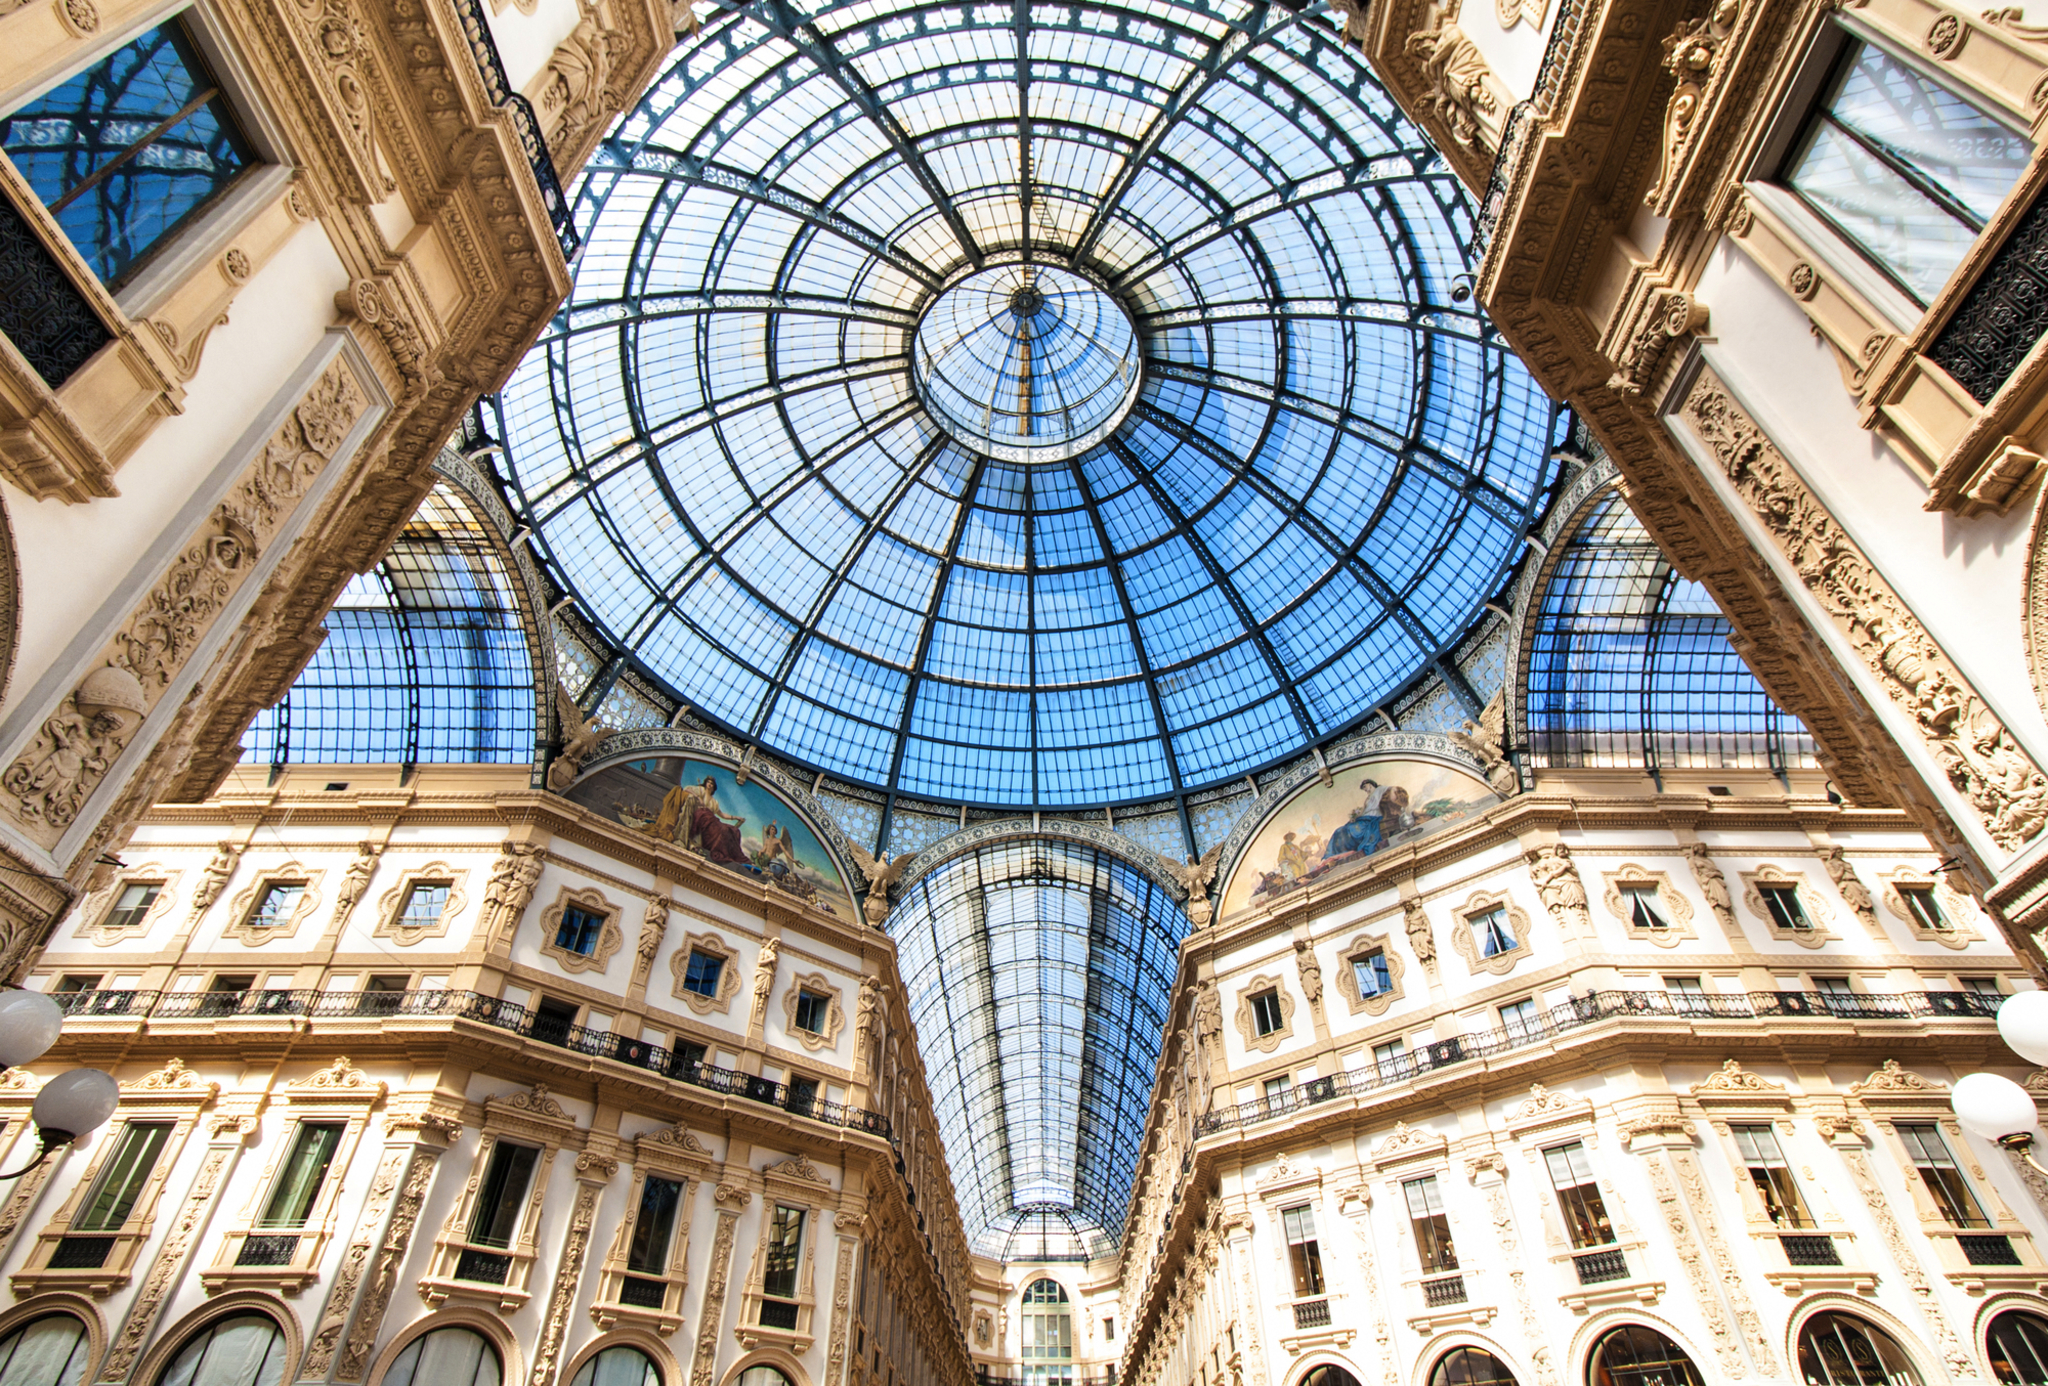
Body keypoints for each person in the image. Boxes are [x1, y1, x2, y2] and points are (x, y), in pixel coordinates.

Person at [686, 776, 749, 864]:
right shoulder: (700, 790)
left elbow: (722, 814)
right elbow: (687, 789)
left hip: (711, 821)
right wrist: (697, 797)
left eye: (712, 783)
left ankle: (733, 854)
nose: (710, 784)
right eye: (708, 782)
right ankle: (719, 850)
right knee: (723, 829)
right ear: (705, 783)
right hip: (702, 818)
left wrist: (735, 817)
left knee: (734, 830)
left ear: (714, 787)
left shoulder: (714, 802)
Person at [1324, 780, 1389, 860]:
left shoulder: (1380, 789)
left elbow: (1389, 793)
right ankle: (1331, 855)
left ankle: (1341, 849)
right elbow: (1363, 811)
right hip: (1365, 817)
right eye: (1364, 789)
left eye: (1365, 787)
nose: (1365, 790)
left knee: (1348, 829)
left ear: (1369, 784)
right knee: (1340, 830)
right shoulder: (1368, 799)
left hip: (1373, 817)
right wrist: (1355, 817)